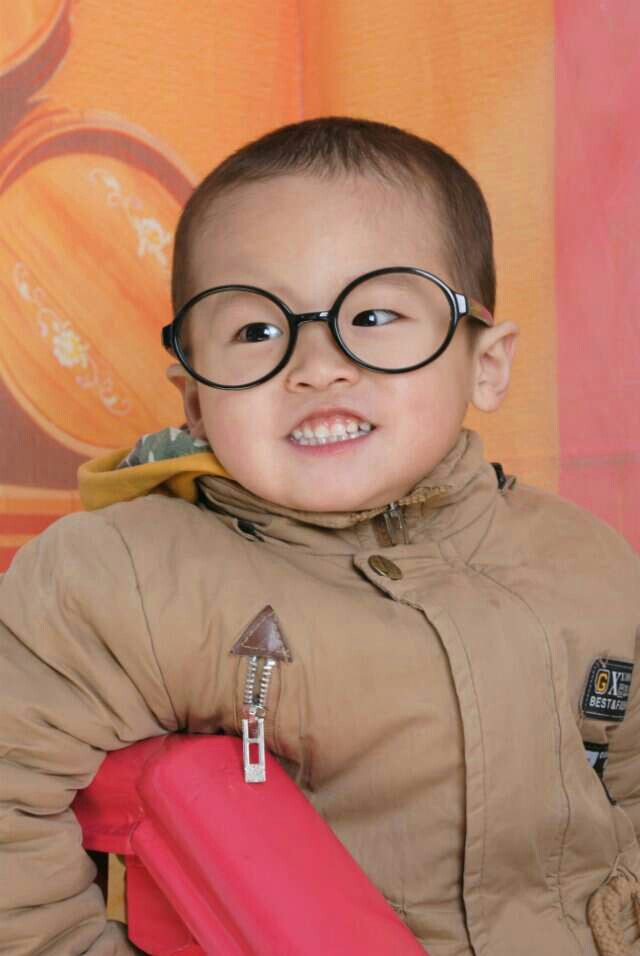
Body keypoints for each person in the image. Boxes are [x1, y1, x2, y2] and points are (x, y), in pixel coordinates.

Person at [1, 116, 639, 956]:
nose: (316, 366)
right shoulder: (121, 578)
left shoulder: (587, 563)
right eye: (257, 331)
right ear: (195, 400)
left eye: (372, 314)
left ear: (486, 364)